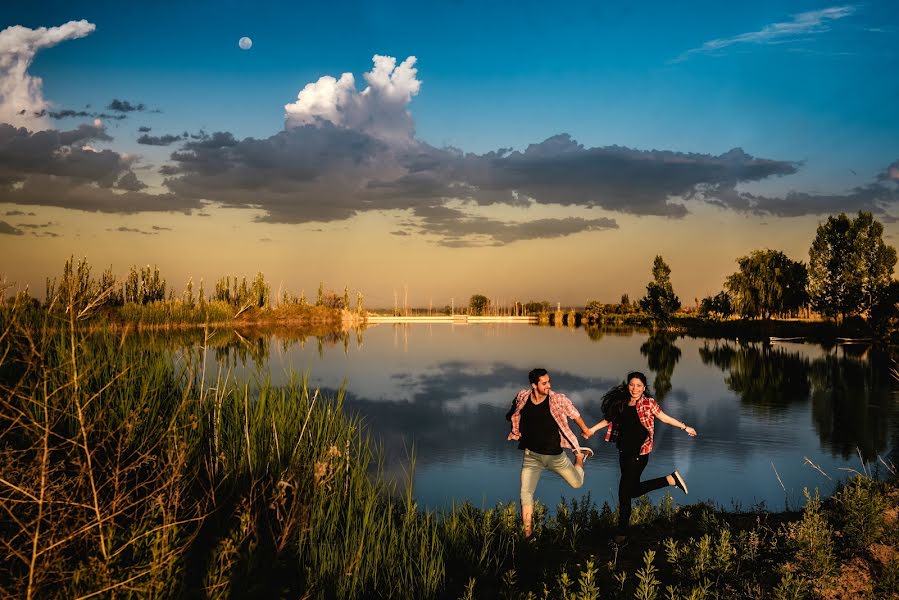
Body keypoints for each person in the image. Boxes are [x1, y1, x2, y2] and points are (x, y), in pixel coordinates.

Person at [583, 371, 696, 546]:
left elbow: (663, 417)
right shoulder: (621, 402)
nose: (634, 388)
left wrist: (684, 427)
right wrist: (592, 430)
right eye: (632, 385)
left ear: (644, 387)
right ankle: (670, 479)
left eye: (638, 385)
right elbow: (608, 419)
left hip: (639, 454)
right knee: (632, 490)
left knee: (624, 494)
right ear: (628, 385)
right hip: (623, 452)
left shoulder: (648, 403)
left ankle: (621, 535)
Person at [507, 368, 594, 539]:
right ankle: (528, 534)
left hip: (556, 456)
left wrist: (585, 429)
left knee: (577, 483)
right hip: (531, 456)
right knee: (525, 493)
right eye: (544, 383)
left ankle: (579, 456)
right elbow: (514, 412)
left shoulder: (557, 399)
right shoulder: (523, 397)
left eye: (549, 381)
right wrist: (514, 426)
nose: (549, 385)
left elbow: (574, 413)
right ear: (534, 385)